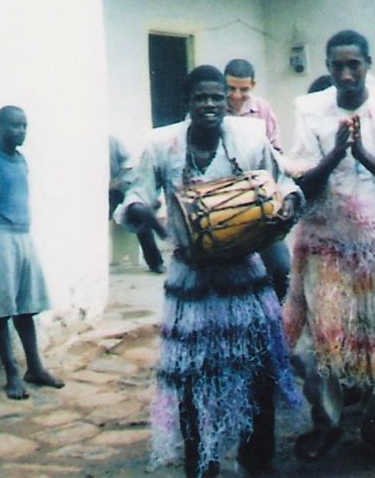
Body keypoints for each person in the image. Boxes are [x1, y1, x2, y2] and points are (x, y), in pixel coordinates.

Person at [115, 65, 301, 478]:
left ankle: (257, 458)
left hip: (244, 275)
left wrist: (287, 202)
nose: (211, 104)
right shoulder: (162, 143)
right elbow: (134, 198)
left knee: (255, 369)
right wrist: (145, 213)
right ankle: (203, 462)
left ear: (227, 100)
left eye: (218, 96)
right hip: (191, 281)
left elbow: (282, 182)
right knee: (194, 375)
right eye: (201, 97)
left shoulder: (250, 138)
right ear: (188, 102)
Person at [284, 29, 375, 467]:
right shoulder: (310, 109)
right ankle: (326, 425)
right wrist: (335, 154)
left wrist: (362, 154)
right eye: (337, 66)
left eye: (354, 65)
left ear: (368, 64)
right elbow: (302, 184)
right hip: (324, 241)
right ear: (328, 67)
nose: (346, 74)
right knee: (321, 342)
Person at [0, 106, 64, 400]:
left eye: (24, 125)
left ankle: (34, 367)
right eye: (14, 126)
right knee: (0, 309)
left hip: (23, 238)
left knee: (26, 307)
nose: (21, 131)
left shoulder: (21, 160)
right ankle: (11, 373)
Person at [224, 59, 288, 298]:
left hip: (259, 200)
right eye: (231, 88)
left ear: (253, 85)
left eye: (244, 89)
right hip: (225, 204)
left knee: (281, 268)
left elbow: (276, 152)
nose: (237, 95)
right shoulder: (214, 106)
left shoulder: (263, 109)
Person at [110, 135, 165, 273]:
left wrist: (117, 182)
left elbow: (128, 164)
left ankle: (155, 262)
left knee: (139, 211)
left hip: (123, 186)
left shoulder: (111, 140)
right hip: (100, 195)